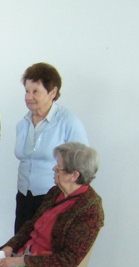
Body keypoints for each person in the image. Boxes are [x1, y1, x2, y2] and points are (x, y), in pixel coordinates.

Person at [14, 62, 89, 233]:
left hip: (54, 198)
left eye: (35, 91)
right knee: (19, 246)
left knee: (43, 250)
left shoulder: (68, 122)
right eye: (27, 91)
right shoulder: (23, 123)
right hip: (24, 197)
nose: (28, 96)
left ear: (53, 92)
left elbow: (83, 165)